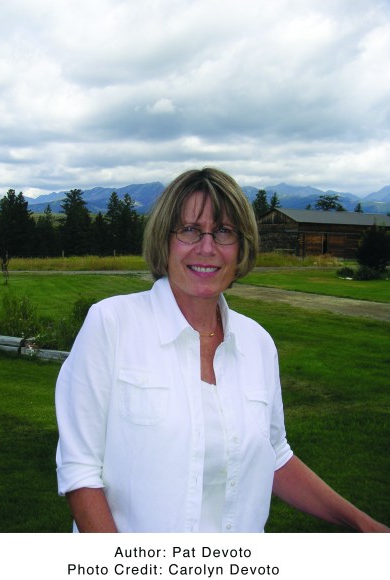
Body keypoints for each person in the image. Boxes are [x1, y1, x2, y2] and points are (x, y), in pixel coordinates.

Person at [55, 167, 388, 533]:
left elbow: (275, 455)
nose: (207, 247)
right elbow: (80, 471)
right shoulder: (112, 325)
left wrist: (363, 524)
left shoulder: (258, 343)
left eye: (224, 231)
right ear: (164, 240)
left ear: (241, 247)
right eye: (189, 230)